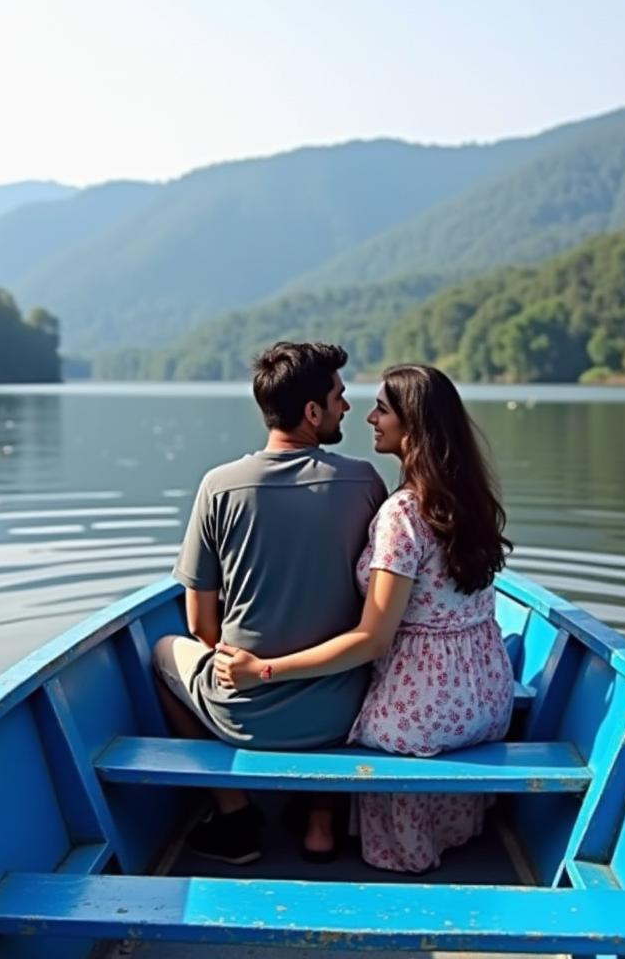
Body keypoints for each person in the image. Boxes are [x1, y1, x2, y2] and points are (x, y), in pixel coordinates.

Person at [215, 364, 514, 873]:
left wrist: (262, 670)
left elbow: (374, 641)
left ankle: (315, 822)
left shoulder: (403, 514)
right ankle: (326, 823)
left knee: (335, 707)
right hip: (487, 695)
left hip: (425, 710)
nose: (369, 417)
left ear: (412, 427)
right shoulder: (472, 500)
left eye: (382, 409)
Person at [153, 341, 387, 865]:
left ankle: (234, 812)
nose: (347, 407)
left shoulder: (218, 487)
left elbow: (201, 626)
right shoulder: (365, 483)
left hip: (244, 715)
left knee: (162, 652)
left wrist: (252, 666)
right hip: (342, 715)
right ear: (311, 412)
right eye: (338, 397)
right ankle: (322, 822)